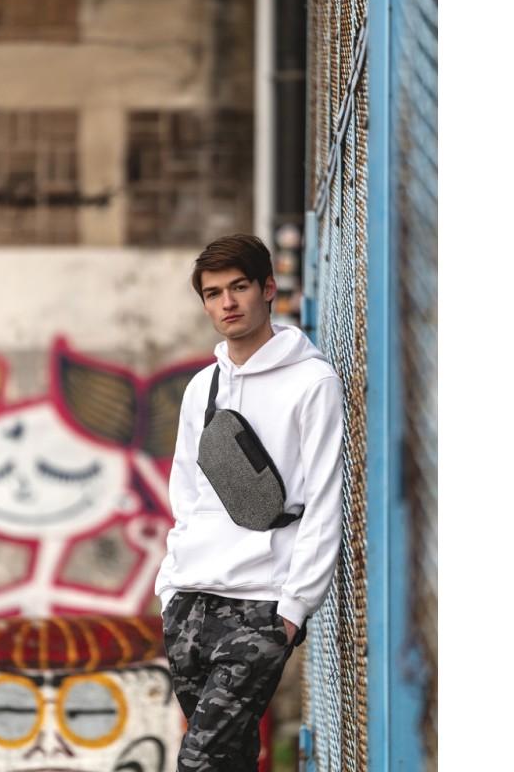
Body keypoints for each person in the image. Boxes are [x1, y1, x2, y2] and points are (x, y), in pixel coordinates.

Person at [155, 233, 345, 771]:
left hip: (260, 606)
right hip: (190, 602)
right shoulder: (203, 387)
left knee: (199, 761)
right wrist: (170, 587)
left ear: (268, 288)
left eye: (238, 287)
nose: (227, 303)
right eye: (213, 293)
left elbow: (325, 500)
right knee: (230, 759)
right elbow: (186, 490)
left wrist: (293, 609)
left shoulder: (313, 383)